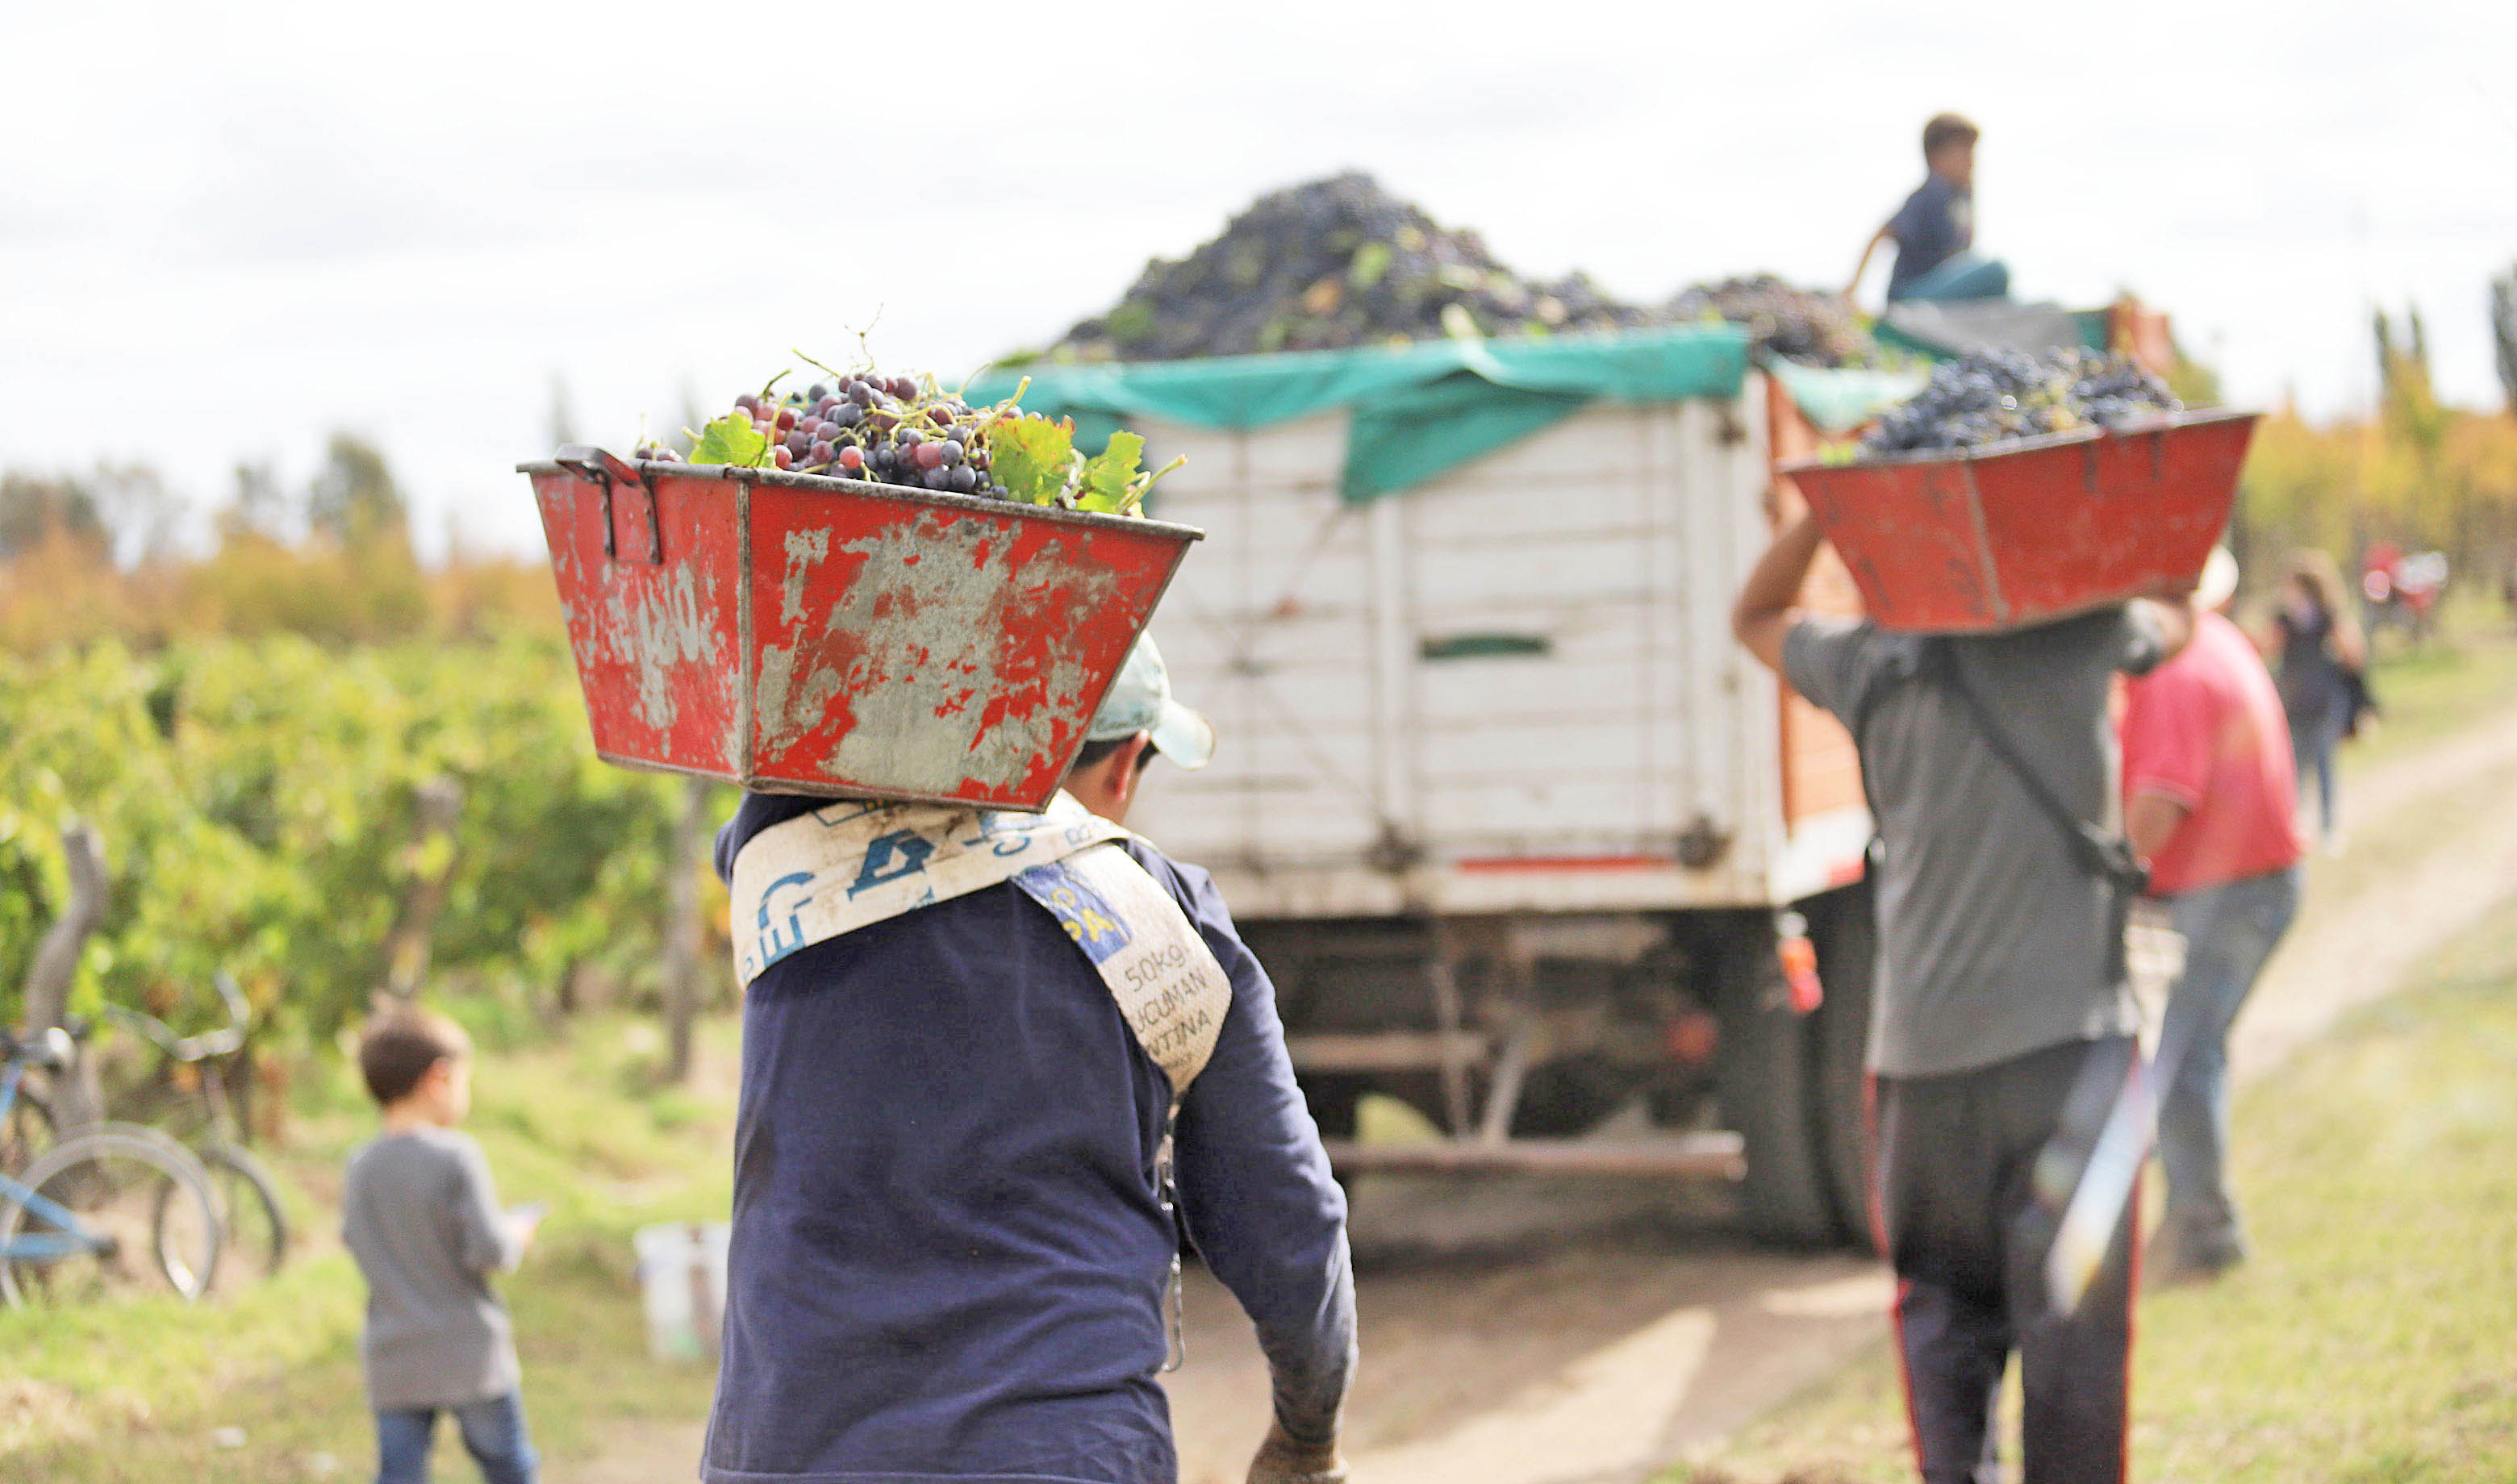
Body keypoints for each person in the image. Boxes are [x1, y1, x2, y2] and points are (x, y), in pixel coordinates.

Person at [703, 636, 1355, 1484]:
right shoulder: (1172, 923)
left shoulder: (787, 865)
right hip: (1062, 1453)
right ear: (1126, 764)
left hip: (790, 1453)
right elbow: (1289, 1217)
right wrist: (1308, 1434)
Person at [1733, 513, 2194, 1484]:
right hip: (2073, 1059)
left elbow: (1757, 611)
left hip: (1920, 1073)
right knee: (2077, 1358)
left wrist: (1828, 514)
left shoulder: (1870, 663)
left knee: (1944, 1333)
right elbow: (2187, 607)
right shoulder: (2086, 632)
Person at [2119, 549, 2306, 1282]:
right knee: (2192, 1052)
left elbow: (2158, 809)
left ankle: (2203, 1234)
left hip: (2232, 887)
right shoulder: (2216, 640)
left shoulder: (2172, 672)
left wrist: (2103, 876)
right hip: (2249, 882)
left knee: (2186, 1057)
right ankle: (2194, 1219)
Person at [342, 1007, 543, 1484]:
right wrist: (518, 1233)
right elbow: (491, 1251)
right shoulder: (456, 1155)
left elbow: (356, 1240)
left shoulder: (360, 1166)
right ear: (439, 1079)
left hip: (394, 1356)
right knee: (507, 1466)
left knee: (400, 1474)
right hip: (469, 1353)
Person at [1849, 113, 2010, 306]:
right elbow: (1882, 234)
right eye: (1964, 153)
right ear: (1937, 157)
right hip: (1909, 297)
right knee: (1997, 271)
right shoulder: (1930, 195)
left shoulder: (1958, 198)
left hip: (1938, 293)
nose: (1971, 162)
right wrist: (1851, 291)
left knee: (2007, 297)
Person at [2262, 549, 2366, 845]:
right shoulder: (2316, 614)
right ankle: (2314, 826)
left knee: (2311, 763)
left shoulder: (2319, 614)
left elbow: (2352, 651)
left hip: (2308, 695)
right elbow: (2354, 652)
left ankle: (2311, 826)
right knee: (2308, 763)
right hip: (2307, 695)